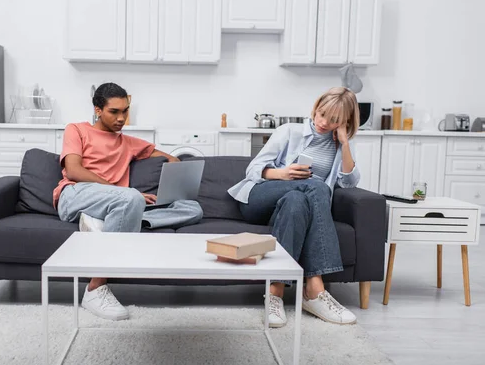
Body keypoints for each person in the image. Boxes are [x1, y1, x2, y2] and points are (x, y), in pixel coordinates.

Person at [53, 82, 203, 321]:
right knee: (131, 197)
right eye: (114, 111)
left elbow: (170, 158)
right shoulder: (77, 129)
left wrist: (178, 169)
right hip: (75, 195)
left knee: (192, 208)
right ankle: (94, 289)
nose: (121, 118)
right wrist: (122, 193)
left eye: (125, 111)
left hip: (117, 202)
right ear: (98, 110)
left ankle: (119, 220)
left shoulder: (129, 143)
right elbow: (73, 170)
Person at [228, 87, 361, 328]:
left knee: (297, 201)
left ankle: (275, 292)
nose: (323, 122)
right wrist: (283, 173)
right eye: (321, 114)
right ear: (315, 107)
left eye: (333, 120)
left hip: (290, 205)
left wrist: (345, 144)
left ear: (344, 122)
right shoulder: (289, 131)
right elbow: (253, 170)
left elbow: (349, 181)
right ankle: (315, 290)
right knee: (318, 187)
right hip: (259, 198)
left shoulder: (338, 145)